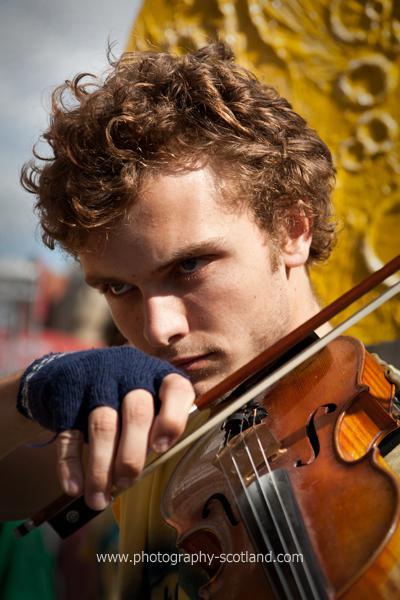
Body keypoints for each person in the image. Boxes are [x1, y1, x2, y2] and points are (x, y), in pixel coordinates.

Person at [0, 41, 342, 598]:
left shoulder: (384, 420)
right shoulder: (156, 422)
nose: (157, 329)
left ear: (292, 229)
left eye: (189, 266)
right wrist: (32, 389)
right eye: (119, 287)